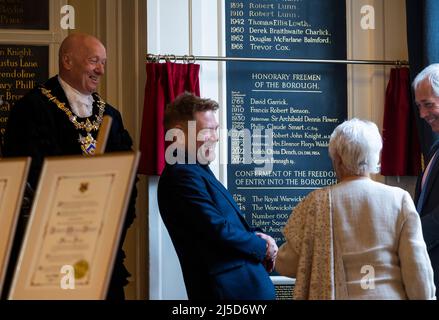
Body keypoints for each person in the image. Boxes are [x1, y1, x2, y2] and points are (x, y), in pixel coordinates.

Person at [1, 33, 136, 300]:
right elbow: (31, 176)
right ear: (67, 61)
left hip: (104, 245)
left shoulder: (111, 115)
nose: (100, 70)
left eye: (104, 63)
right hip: (50, 248)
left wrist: (116, 224)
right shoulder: (32, 109)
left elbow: (128, 177)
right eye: (93, 61)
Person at [276, 118, 435, 300]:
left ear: (337, 158)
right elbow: (417, 269)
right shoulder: (399, 200)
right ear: (376, 156)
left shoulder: (315, 203)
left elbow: (287, 264)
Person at [157, 92, 277, 300]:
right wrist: (262, 246)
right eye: (208, 130)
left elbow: (227, 224)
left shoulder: (195, 169)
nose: (216, 137)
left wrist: (259, 236)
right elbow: (217, 230)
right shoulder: (182, 174)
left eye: (216, 129)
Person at [413, 63, 439, 298]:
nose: (422, 114)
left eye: (428, 105)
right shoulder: (434, 147)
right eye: (419, 106)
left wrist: (408, 236)